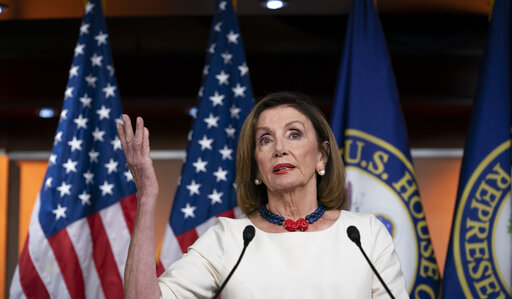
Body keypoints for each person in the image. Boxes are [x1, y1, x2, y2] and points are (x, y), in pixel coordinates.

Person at [118, 92, 408, 298]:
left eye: (294, 134)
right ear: (256, 165)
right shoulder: (229, 239)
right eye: (265, 139)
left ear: (322, 156)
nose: (279, 148)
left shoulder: (364, 234)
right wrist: (147, 195)